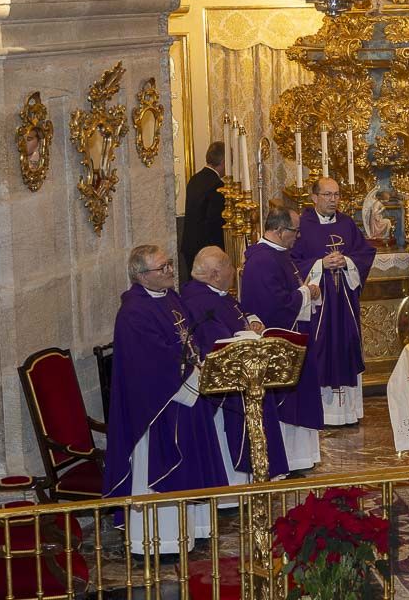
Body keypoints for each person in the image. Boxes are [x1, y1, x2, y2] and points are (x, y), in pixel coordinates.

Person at [103, 245, 226, 554]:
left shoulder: (172, 298)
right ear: (141, 276)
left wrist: (199, 362)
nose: (170, 271)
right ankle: (160, 541)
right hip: (157, 408)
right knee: (163, 467)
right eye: (162, 268)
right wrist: (189, 371)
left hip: (184, 396)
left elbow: (188, 337)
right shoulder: (133, 312)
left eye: (169, 264)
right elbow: (150, 361)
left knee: (192, 464)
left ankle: (193, 529)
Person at [180, 247, 291, 481]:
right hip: (228, 384)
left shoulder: (216, 293)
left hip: (247, 369)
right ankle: (243, 479)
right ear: (214, 274)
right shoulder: (200, 302)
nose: (234, 272)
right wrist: (249, 339)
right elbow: (217, 344)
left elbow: (237, 313)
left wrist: (251, 322)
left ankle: (264, 468)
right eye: (229, 267)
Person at [241, 203, 324, 470]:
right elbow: (272, 307)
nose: (297, 236)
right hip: (280, 342)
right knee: (288, 399)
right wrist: (305, 293)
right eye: (294, 231)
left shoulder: (279, 255)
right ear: (278, 230)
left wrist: (306, 291)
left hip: (294, 338)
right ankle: (291, 456)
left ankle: (302, 455)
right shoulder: (262, 260)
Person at [292, 178, 377, 425]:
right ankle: (322, 412)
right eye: (328, 195)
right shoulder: (302, 225)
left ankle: (347, 412)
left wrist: (347, 262)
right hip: (319, 305)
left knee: (346, 344)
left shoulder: (347, 223)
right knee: (320, 347)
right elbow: (290, 261)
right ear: (314, 197)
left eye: (337, 195)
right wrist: (320, 264)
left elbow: (365, 253)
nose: (333, 200)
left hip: (345, 304)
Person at [181, 142, 227, 274]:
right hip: (206, 250)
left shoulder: (195, 179)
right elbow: (215, 222)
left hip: (190, 245)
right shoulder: (217, 185)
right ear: (223, 161)